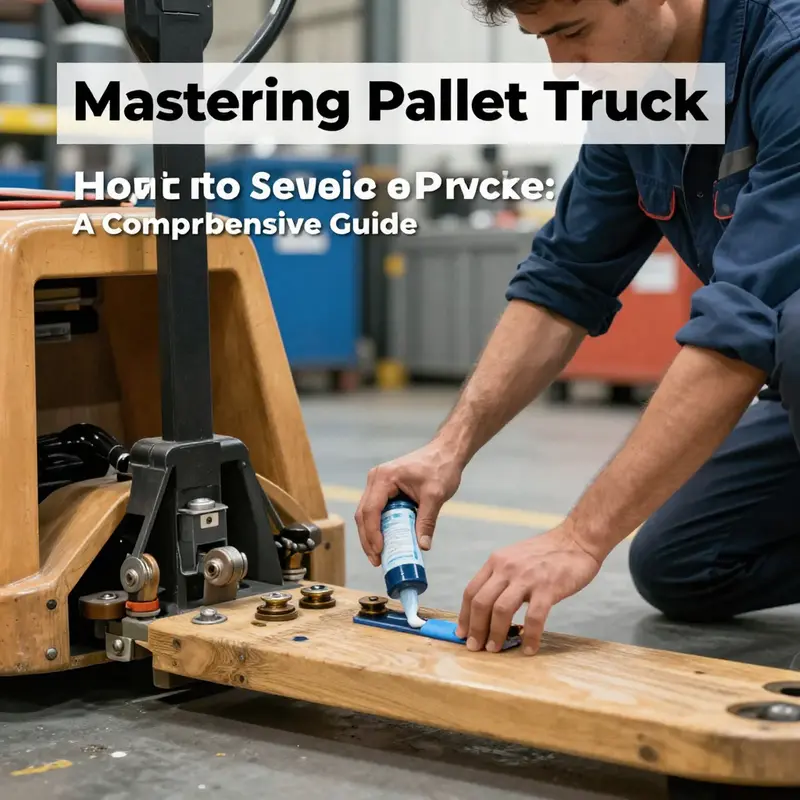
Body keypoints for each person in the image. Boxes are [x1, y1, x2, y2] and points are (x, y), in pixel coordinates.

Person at [354, 0, 800, 657]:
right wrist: (449, 447)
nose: (563, 67)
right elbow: (564, 278)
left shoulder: (785, 51)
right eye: (542, 39)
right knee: (684, 561)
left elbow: (745, 322)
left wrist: (581, 536)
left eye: (574, 31)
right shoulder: (644, 96)